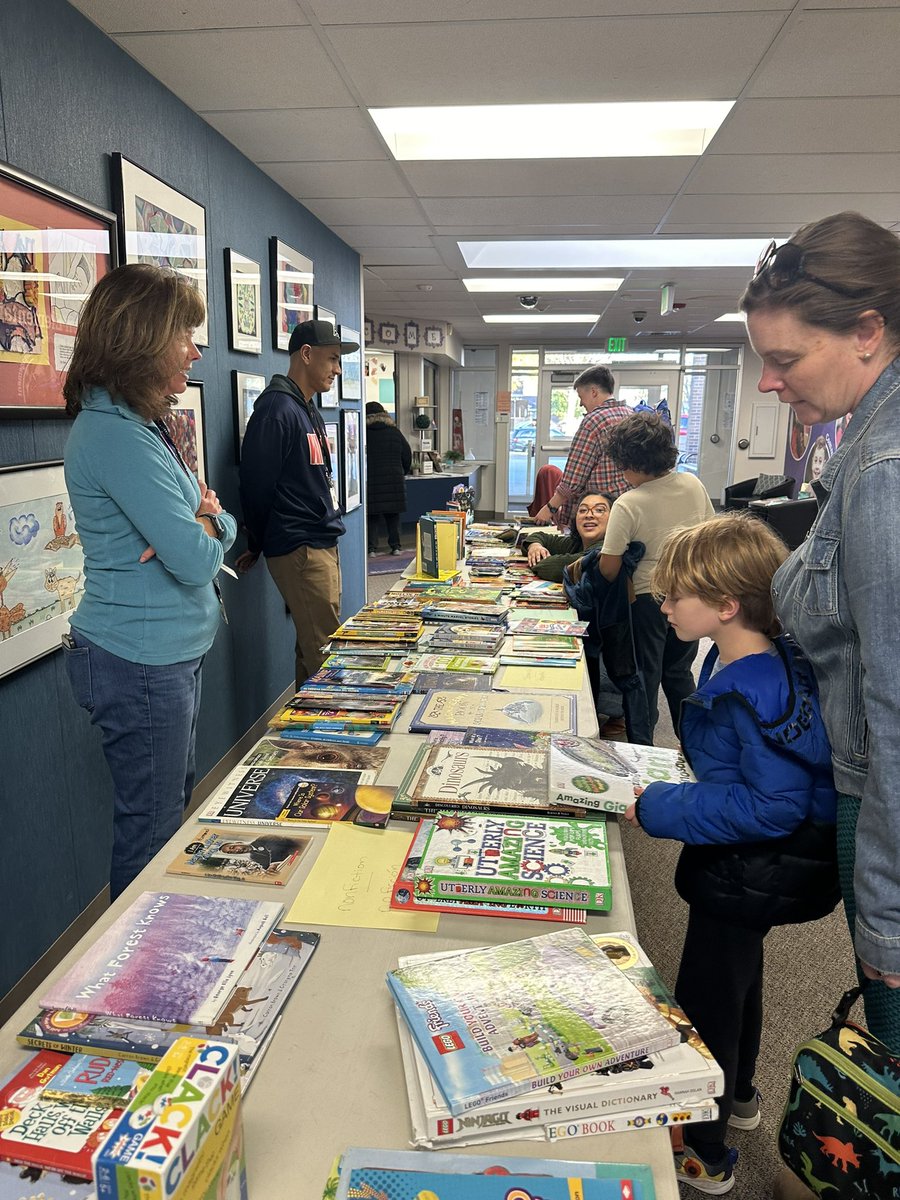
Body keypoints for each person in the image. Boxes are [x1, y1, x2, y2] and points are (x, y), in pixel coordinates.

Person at [624, 513, 839, 1194]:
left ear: (725, 604)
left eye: (674, 595)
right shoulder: (746, 656)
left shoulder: (750, 690)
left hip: (750, 866)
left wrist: (659, 806)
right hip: (755, 868)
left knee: (707, 999)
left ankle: (706, 1150)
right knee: (738, 977)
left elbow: (771, 805)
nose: (663, 606)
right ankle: (740, 1094)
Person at [740, 211, 900, 1047]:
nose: (770, 384)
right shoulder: (865, 450)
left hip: (881, 816)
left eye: (785, 359)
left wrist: (887, 929)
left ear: (868, 332)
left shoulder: (884, 473)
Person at [61, 263, 236, 900]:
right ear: (140, 339)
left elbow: (214, 531)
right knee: (153, 830)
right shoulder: (116, 436)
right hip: (137, 659)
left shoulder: (144, 425)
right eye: (183, 334)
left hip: (163, 654)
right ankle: (135, 980)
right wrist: (201, 529)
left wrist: (205, 524)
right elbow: (195, 559)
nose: (194, 349)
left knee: (165, 814)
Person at [237, 319, 359, 689]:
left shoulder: (305, 409)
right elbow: (256, 485)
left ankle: (308, 738)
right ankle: (335, 739)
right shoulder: (276, 411)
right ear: (306, 354)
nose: (338, 369)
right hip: (299, 546)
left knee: (314, 649)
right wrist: (256, 542)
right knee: (327, 652)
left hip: (318, 541)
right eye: (333, 359)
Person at [598, 412, 714, 739]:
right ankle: (694, 743)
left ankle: (642, 746)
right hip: (690, 594)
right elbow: (709, 535)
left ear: (632, 462)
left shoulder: (628, 503)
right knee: (678, 673)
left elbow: (609, 567)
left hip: (648, 600)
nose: (622, 474)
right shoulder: (693, 484)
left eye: (623, 466)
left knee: (644, 677)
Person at [521, 494, 623, 732]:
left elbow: (549, 566)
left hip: (606, 660)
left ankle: (616, 711)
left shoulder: (605, 552)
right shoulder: (578, 543)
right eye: (583, 510)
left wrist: (540, 557)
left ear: (615, 518)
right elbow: (539, 535)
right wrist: (535, 545)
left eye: (599, 510)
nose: (589, 515)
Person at [532, 366, 631, 528]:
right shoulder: (630, 415)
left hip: (593, 512)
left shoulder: (594, 421)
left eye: (581, 396)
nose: (580, 404)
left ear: (593, 392)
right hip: (620, 509)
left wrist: (549, 508)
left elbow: (573, 480)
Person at [364, 400, 412, 555]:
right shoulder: (394, 432)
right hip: (394, 481)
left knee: (372, 517)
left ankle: (371, 549)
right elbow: (407, 454)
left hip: (371, 481)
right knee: (393, 516)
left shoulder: (364, 434)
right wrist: (401, 472)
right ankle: (396, 546)